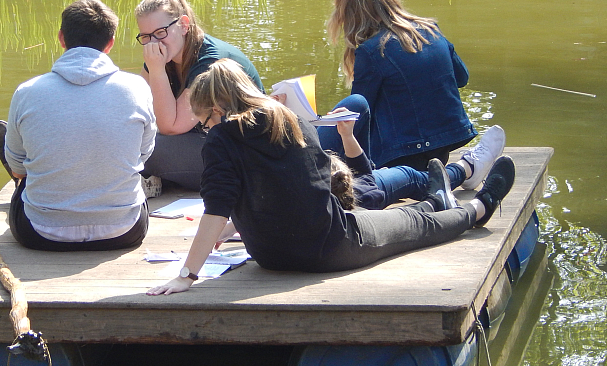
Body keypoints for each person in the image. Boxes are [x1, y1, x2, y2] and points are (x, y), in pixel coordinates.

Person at [146, 59, 515, 295]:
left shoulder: (223, 139)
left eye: (206, 122)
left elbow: (224, 204)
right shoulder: (291, 121)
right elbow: (295, 189)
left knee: (407, 214)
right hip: (329, 247)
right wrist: (188, 275)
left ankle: (438, 200)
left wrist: (187, 273)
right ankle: (477, 209)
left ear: (218, 108)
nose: (208, 130)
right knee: (411, 222)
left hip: (270, 255)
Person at [0, 0, 156, 251]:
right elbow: (143, 154)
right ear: (110, 43)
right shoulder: (137, 88)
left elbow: (17, 167)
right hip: (124, 230)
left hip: (40, 233)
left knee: (20, 166)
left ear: (61, 38)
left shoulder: (27, 92)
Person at [317, 0, 477, 171]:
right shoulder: (430, 29)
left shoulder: (371, 51)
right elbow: (461, 78)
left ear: (347, 12)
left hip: (403, 154)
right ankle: (464, 169)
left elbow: (358, 114)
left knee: (325, 132)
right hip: (444, 145)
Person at [134, 0, 264, 192]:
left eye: (160, 32)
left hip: (242, 156)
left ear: (184, 25)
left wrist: (156, 70)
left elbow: (171, 126)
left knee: (146, 148)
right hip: (205, 144)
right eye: (146, 37)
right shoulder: (163, 54)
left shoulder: (209, 61)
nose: (154, 43)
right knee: (126, 136)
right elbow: (135, 103)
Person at [330, 113, 507, 210]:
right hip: (352, 193)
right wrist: (348, 137)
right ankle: (467, 168)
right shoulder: (357, 196)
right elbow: (369, 191)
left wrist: (347, 135)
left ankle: (465, 170)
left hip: (338, 185)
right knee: (410, 176)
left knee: (357, 103)